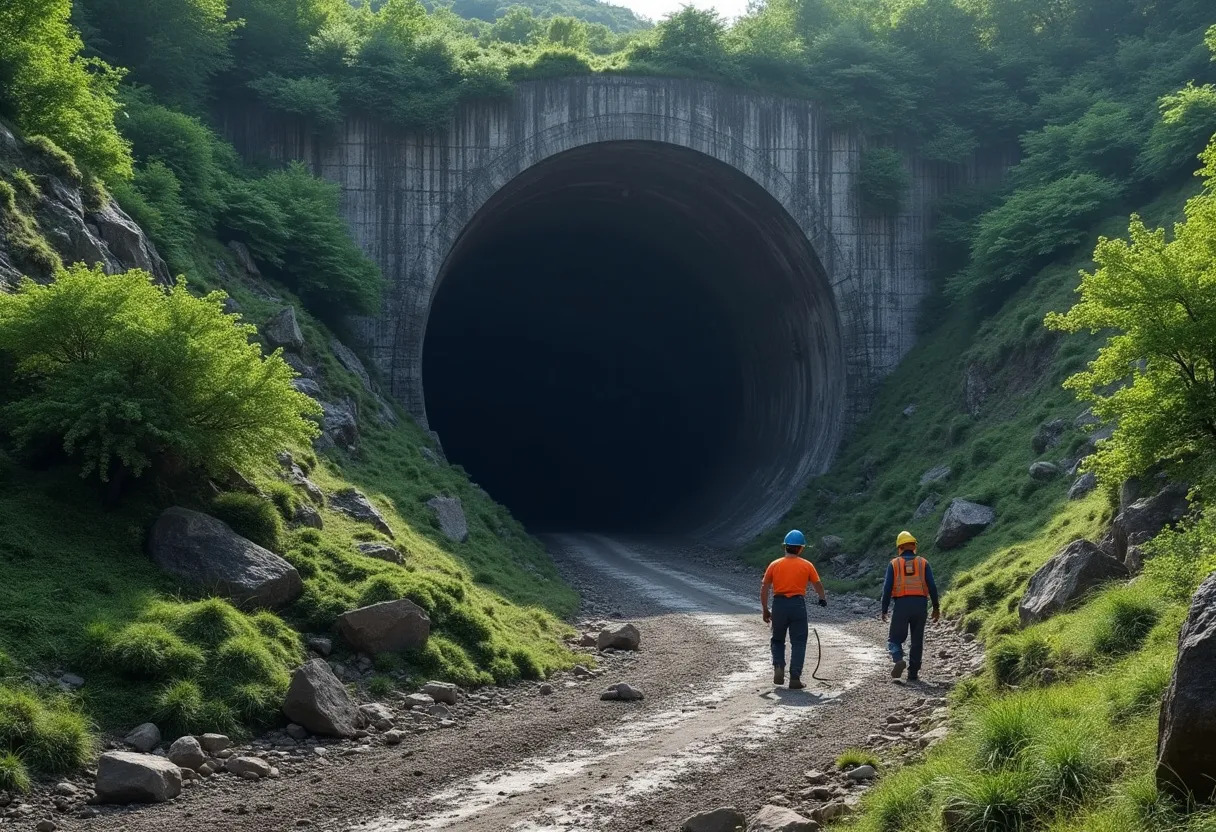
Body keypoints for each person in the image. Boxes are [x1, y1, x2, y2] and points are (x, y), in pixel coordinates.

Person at [760, 530, 827, 689]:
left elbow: (764, 587)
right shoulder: (807, 565)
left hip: (779, 605)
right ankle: (795, 678)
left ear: (785, 546)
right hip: (798, 605)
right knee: (799, 642)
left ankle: (778, 667)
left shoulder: (774, 565)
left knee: (777, 639)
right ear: (801, 548)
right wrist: (822, 598)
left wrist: (765, 609)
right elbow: (817, 584)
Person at [880, 531, 940, 682]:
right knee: (917, 640)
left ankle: (899, 659)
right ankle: (913, 673)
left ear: (899, 547)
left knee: (894, 639)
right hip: (920, 605)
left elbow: (887, 588)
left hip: (902, 605)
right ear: (914, 547)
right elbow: (932, 586)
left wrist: (884, 609)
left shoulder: (894, 564)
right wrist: (936, 607)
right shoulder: (923, 563)